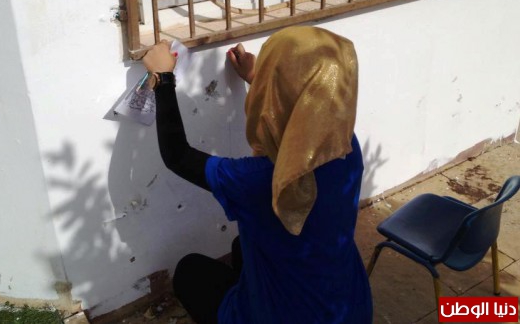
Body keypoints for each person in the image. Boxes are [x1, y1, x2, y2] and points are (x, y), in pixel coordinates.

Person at [142, 26, 372, 324]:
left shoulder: (261, 180)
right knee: (241, 247)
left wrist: (163, 78)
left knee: (190, 271)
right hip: (350, 310)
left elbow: (178, 155)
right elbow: (305, 112)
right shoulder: (345, 146)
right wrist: (257, 78)